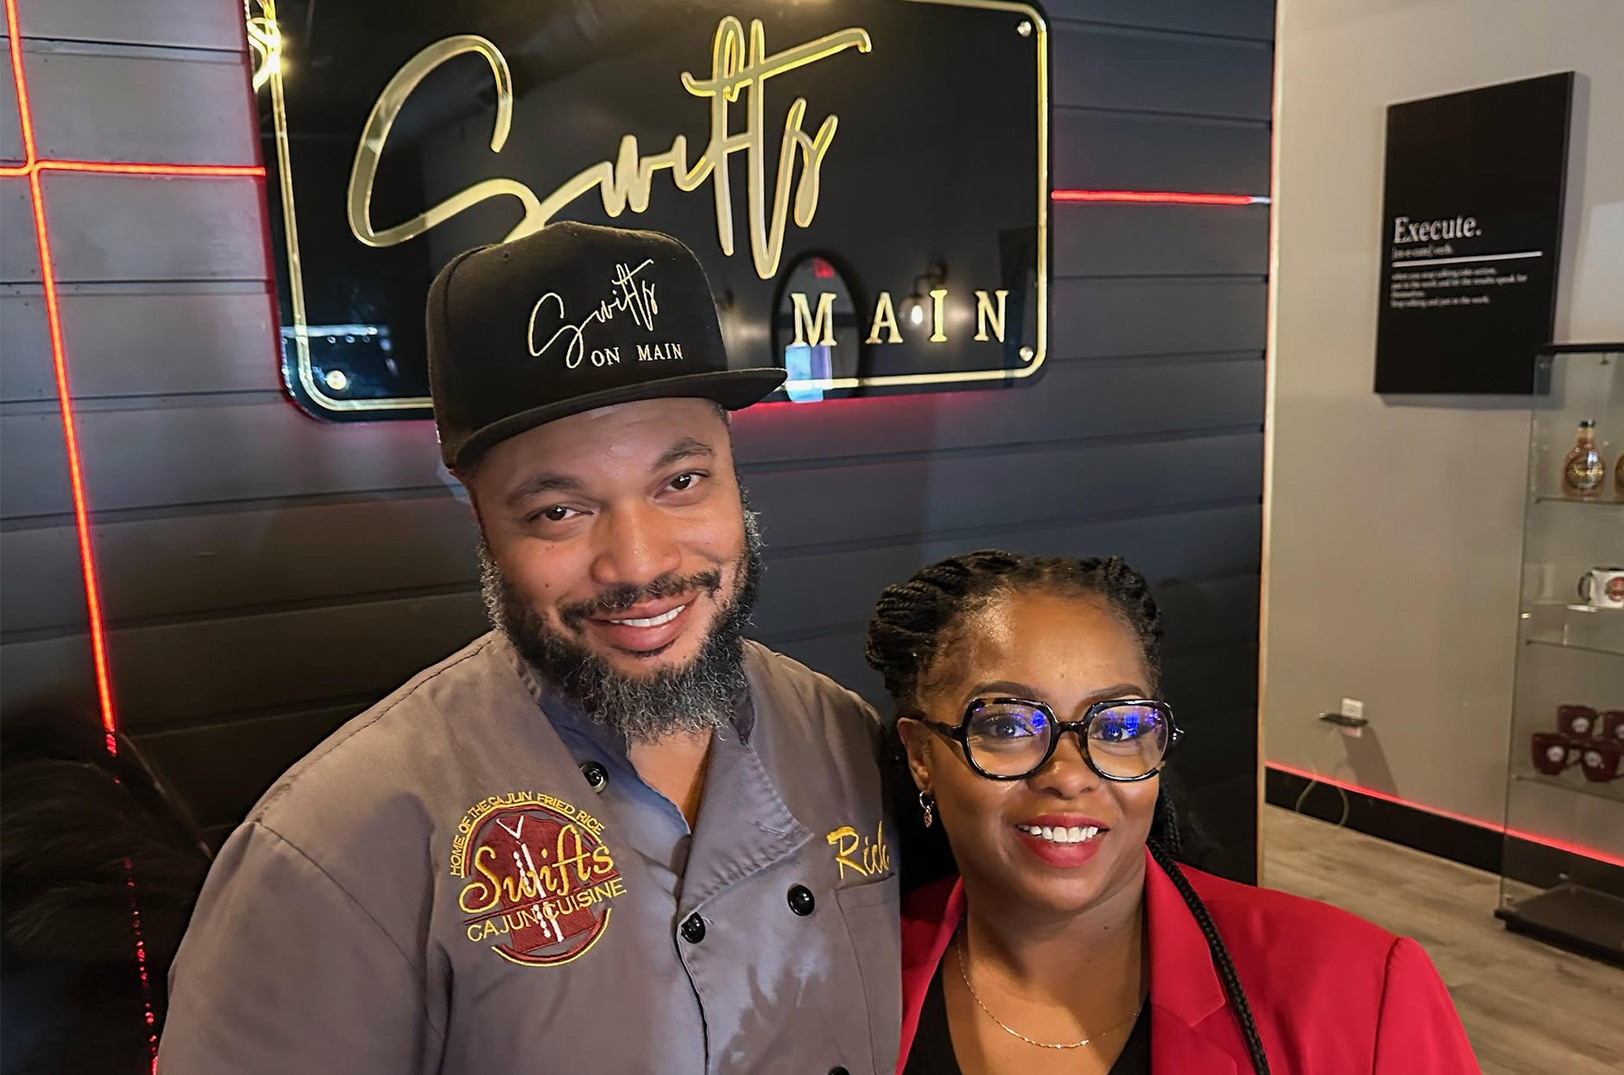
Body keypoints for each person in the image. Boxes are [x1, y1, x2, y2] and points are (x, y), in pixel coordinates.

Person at [160, 222, 899, 1074]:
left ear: (735, 474)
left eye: (681, 483)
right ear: (480, 519)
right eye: (559, 510)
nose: (641, 562)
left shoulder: (843, 737)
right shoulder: (334, 845)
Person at [865, 551, 1480, 1075]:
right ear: (921, 755)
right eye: (1006, 725)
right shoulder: (851, 968)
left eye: (1120, 724)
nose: (1071, 775)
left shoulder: (1361, 988)